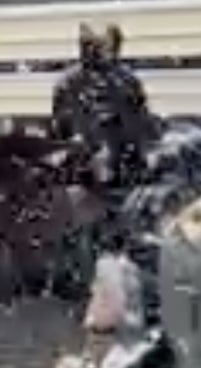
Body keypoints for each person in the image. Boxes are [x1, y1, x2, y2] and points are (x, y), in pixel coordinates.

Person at [51, 23, 154, 247]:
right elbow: (62, 129)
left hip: (118, 173)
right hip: (89, 175)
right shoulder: (71, 83)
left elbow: (138, 127)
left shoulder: (125, 81)